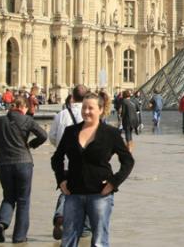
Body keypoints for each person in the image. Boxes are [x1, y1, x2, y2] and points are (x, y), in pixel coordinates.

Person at [51, 92, 135, 247]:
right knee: (68, 240)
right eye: (84, 107)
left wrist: (113, 182)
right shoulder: (71, 132)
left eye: (90, 108)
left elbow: (128, 161)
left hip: (100, 194)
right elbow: (57, 158)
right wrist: (61, 180)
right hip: (74, 192)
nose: (86, 111)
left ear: (101, 110)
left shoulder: (111, 133)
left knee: (99, 241)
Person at [0, 96, 47, 243]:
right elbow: (43, 135)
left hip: (4, 163)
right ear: (24, 107)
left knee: (8, 196)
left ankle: (2, 222)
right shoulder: (27, 120)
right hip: (24, 162)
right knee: (23, 200)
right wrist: (31, 144)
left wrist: (4, 146)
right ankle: (19, 237)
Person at [49, 84, 88, 240]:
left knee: (66, 189)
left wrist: (61, 147)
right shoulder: (89, 115)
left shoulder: (61, 114)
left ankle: (60, 214)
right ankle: (84, 228)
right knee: (85, 192)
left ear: (72, 97)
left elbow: (51, 136)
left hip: (63, 159)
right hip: (83, 161)